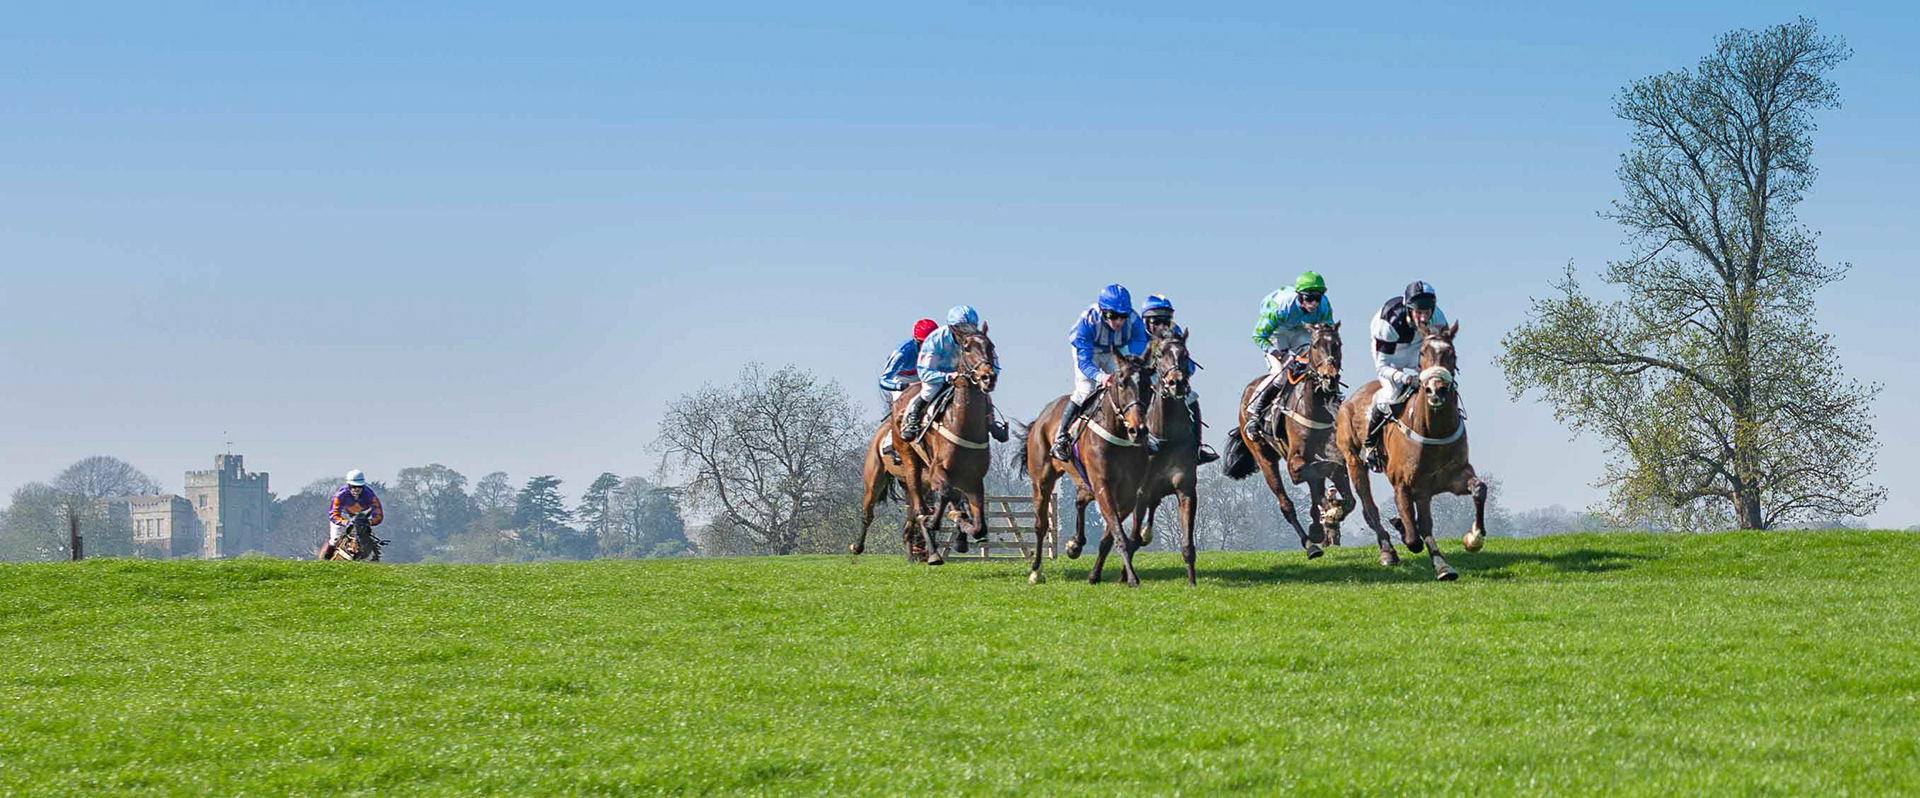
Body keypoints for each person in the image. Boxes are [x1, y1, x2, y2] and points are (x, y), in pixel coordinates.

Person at [1052, 284, 1152, 461]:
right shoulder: (1088, 322)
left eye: (1123, 316)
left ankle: (1142, 430)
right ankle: (1061, 436)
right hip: (1088, 352)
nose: (1118, 322)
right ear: (1103, 312)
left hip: (1114, 351)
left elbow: (1137, 349)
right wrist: (1101, 377)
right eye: (1112, 316)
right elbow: (1084, 362)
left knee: (1131, 385)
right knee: (1085, 390)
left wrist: (1131, 367)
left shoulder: (1134, 321)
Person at [1363, 280, 1450, 472]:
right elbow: (1382, 366)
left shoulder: (1438, 318)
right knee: (1392, 394)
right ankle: (1370, 444)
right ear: (1409, 308)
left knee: (1437, 385)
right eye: (1419, 313)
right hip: (1391, 352)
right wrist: (1405, 378)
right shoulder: (1389, 323)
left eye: (1427, 312)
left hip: (1417, 346)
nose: (1423, 318)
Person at [1245, 271, 1334, 440]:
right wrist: (1279, 354)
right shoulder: (1281, 308)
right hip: (1276, 333)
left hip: (1301, 330)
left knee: (1316, 367)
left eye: (1317, 298)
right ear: (1299, 296)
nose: (1314, 304)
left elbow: (1327, 333)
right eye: (1309, 298)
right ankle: (1254, 414)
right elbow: (1258, 336)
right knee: (1281, 374)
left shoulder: (1324, 306)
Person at [900, 305, 1004, 443]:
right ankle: (913, 418)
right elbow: (924, 373)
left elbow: (995, 366)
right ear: (952, 328)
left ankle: (991, 422)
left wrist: (985, 374)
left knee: (982, 392)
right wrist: (947, 377)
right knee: (929, 390)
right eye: (962, 328)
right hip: (938, 374)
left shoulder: (978, 340)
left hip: (966, 375)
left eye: (971, 328)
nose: (966, 332)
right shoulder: (935, 339)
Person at [1140, 294, 1218, 464]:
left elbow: (1187, 364)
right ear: (1145, 321)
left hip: (1169, 381)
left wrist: (1184, 374)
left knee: (1192, 398)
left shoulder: (1175, 331)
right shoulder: (1135, 334)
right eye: (1156, 321)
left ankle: (1197, 448)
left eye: (1166, 321)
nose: (1162, 326)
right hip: (1142, 382)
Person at [321, 469, 384, 560]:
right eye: (353, 486)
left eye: (359, 486)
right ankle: (325, 560)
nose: (356, 489)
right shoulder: (339, 495)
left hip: (361, 519)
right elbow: (333, 515)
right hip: (343, 517)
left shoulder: (370, 495)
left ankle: (375, 558)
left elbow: (379, 515)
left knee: (368, 538)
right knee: (334, 539)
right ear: (349, 485)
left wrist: (369, 522)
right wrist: (345, 522)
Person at [879, 318, 939, 407]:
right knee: (905, 405)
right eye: (925, 343)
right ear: (916, 341)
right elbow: (883, 381)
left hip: (926, 376)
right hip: (903, 380)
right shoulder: (901, 353)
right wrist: (902, 386)